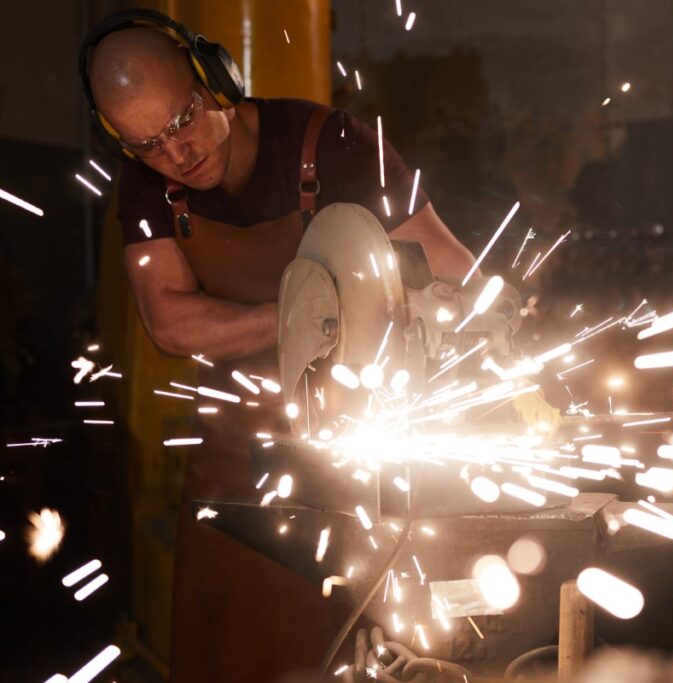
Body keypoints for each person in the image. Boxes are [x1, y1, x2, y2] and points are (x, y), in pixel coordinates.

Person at [80, 9, 476, 682]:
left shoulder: (339, 144)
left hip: (365, 460)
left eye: (183, 120)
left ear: (214, 77)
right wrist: (316, 314)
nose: (176, 153)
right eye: (147, 143)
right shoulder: (147, 184)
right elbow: (170, 322)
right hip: (235, 471)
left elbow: (456, 272)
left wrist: (386, 319)